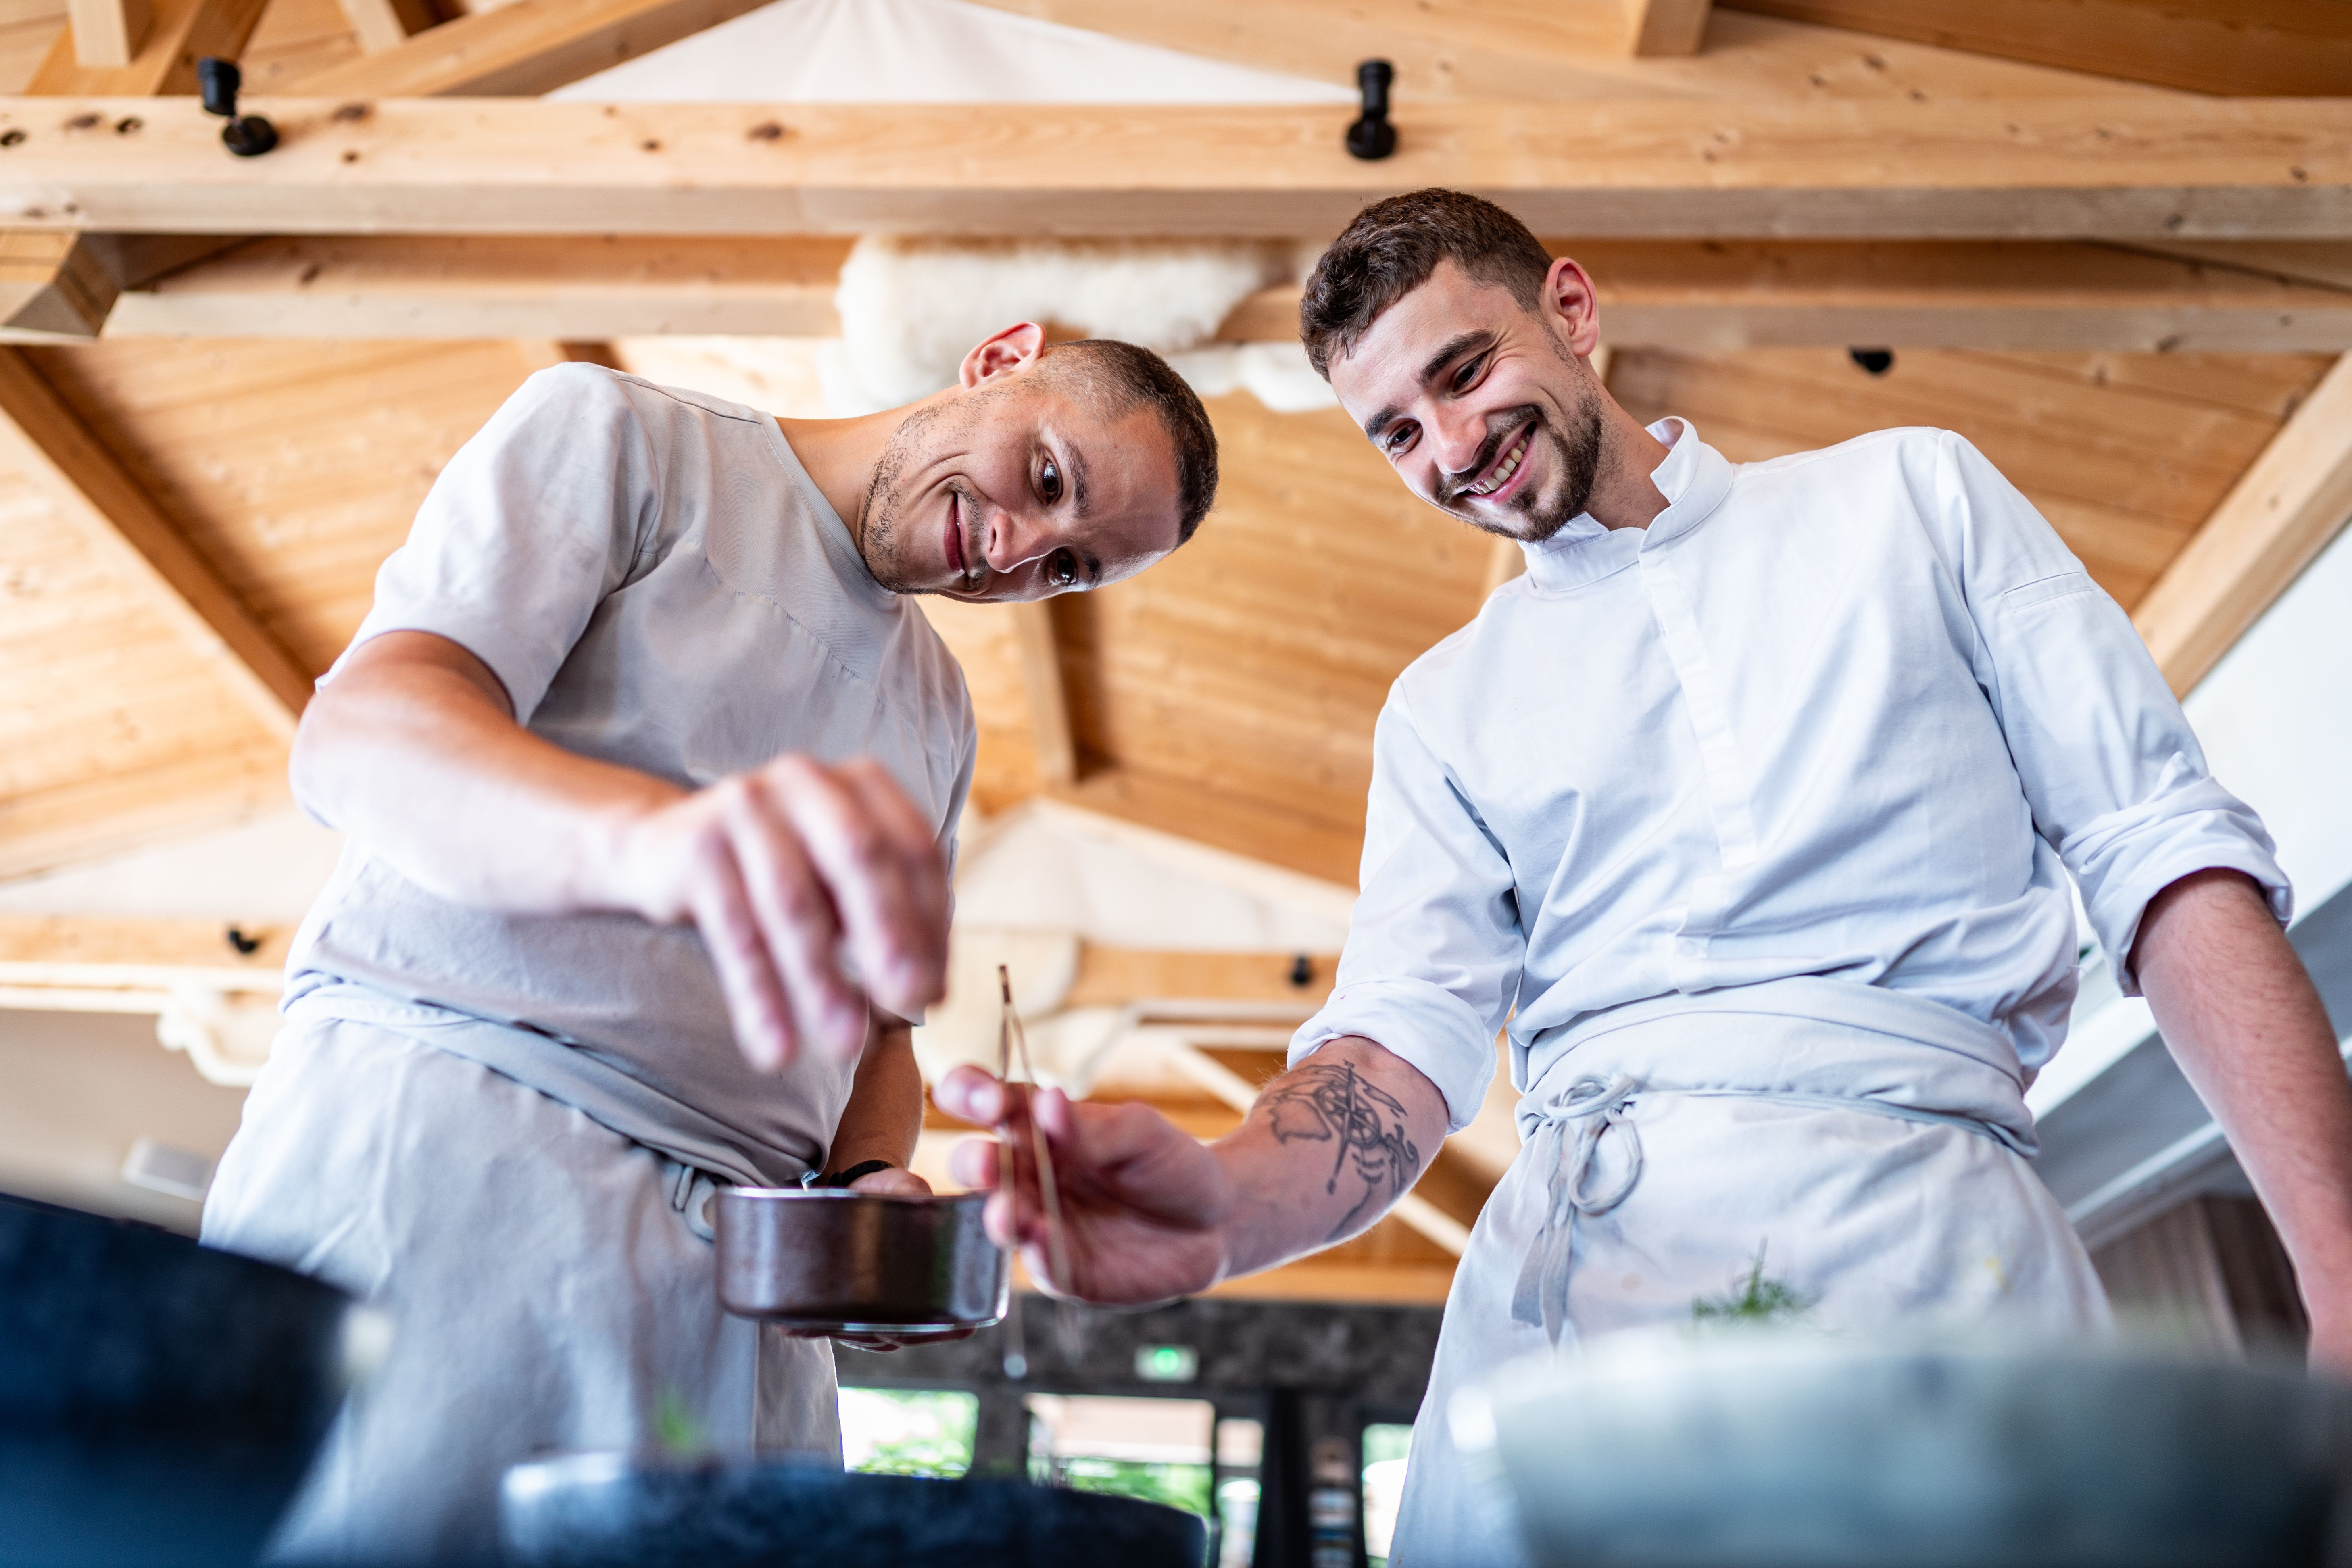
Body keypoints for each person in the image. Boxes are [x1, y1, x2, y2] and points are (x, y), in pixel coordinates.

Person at [934, 190, 2352, 1565]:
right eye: (1397, 432)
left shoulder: (1912, 496)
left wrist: (2340, 1277)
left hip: (1932, 1241)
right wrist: (1223, 1200)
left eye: (1464, 370)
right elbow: (1396, 1049)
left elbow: (2163, 856)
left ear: (1571, 306)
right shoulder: (1441, 708)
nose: (1451, 449)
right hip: (1582, 1301)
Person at [201, 323, 1218, 1562]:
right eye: (1047, 479)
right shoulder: (628, 439)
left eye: (1067, 569)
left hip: (743, 1294)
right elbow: (364, 735)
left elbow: (881, 1032)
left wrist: (862, 1192)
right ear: (1002, 358)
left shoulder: (940, 710)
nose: (1015, 551)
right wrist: (661, 846)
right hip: (452, 1163)